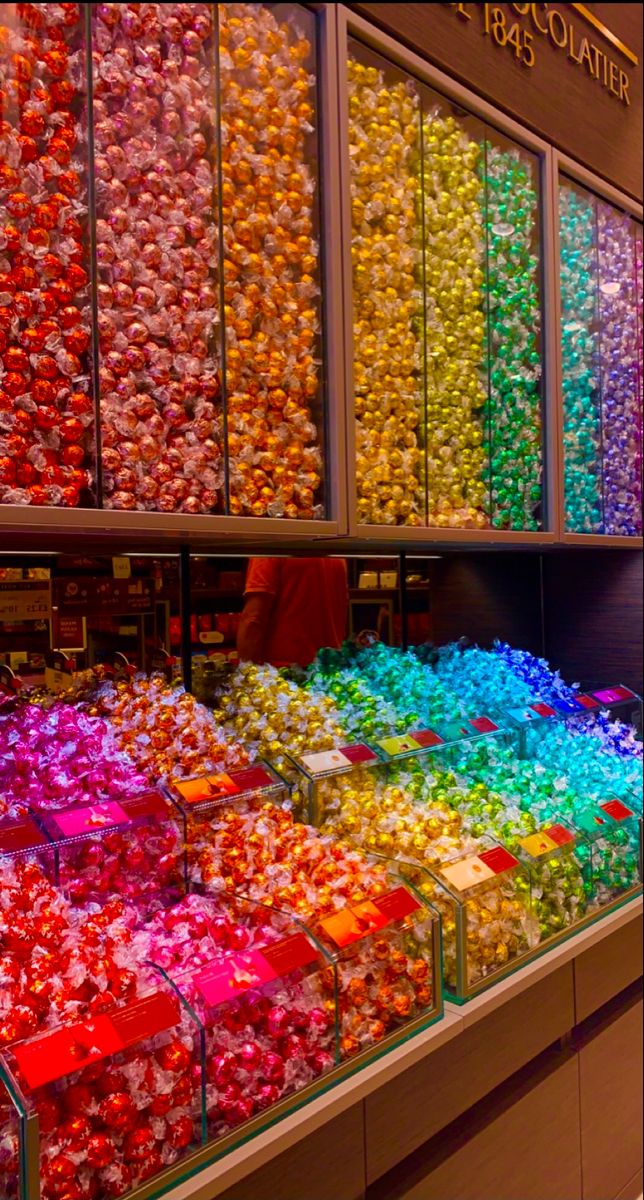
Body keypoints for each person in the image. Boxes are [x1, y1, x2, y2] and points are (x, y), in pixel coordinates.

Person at [236, 557, 348, 669]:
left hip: (284, 674)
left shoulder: (268, 549)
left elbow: (253, 620)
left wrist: (245, 674)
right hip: (332, 671)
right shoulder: (336, 553)